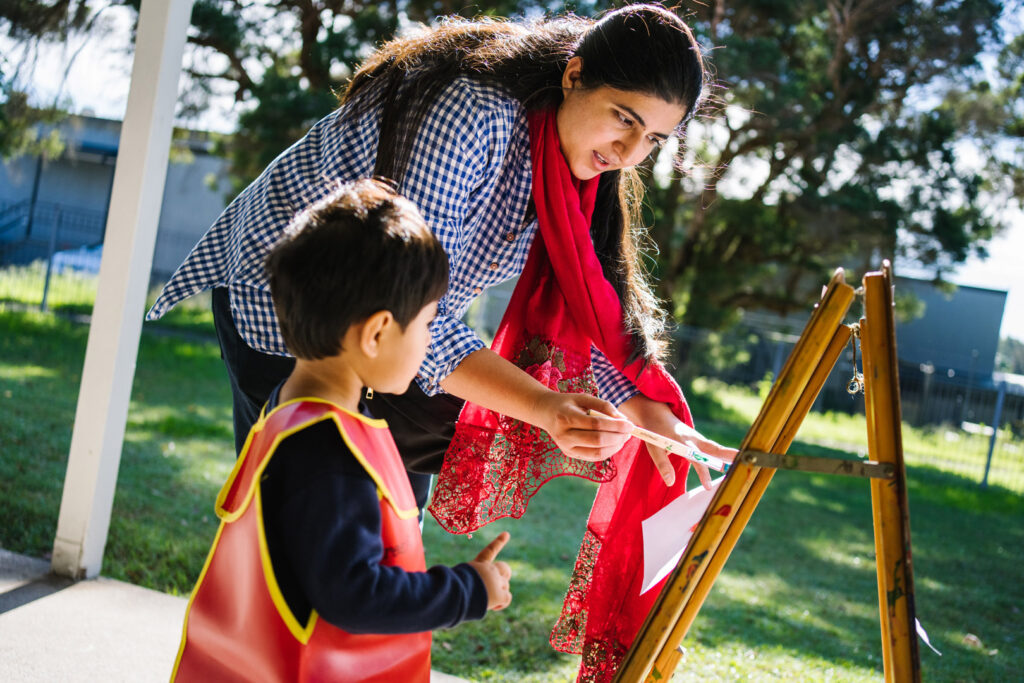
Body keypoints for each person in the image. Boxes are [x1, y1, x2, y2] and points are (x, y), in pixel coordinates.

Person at [151, 4, 737, 680]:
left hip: (389, 335)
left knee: (369, 521)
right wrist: (546, 409)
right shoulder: (475, 117)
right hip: (289, 308)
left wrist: (645, 406)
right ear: (574, 73)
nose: (628, 155)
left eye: (653, 140)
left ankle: (347, 644)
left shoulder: (573, 164)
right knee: (317, 519)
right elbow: (401, 307)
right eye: (624, 118)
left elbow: (590, 300)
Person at [171, 179, 512, 683]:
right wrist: (469, 590)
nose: (427, 344)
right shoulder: (329, 448)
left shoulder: (286, 411)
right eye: (427, 325)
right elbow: (351, 594)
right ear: (376, 333)